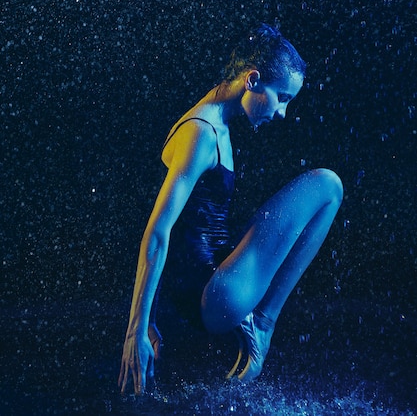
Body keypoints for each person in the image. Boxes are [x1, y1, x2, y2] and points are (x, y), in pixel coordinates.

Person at [118, 23, 343, 394]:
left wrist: (154, 320)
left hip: (208, 283)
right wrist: (136, 330)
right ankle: (263, 326)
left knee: (310, 196)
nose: (283, 112)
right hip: (215, 294)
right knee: (328, 185)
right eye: (282, 97)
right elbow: (158, 232)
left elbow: (182, 229)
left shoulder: (215, 120)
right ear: (252, 80)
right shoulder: (201, 133)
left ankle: (253, 320)